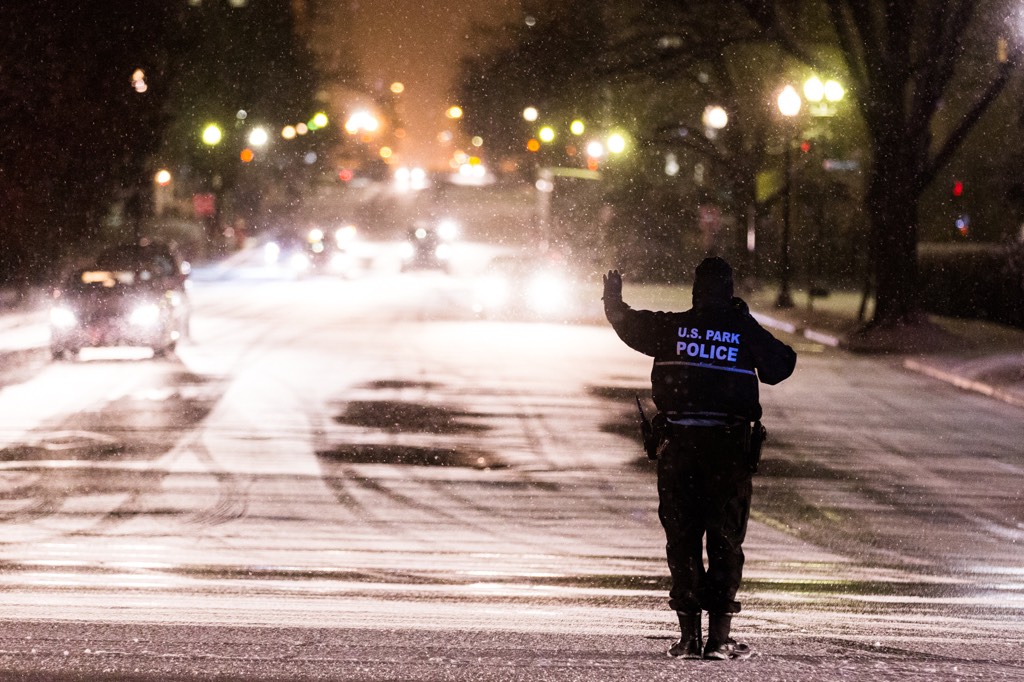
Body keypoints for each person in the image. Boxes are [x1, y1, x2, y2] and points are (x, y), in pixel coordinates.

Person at [603, 257, 796, 661]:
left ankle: (688, 638)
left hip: (679, 450)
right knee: (725, 541)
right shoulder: (741, 330)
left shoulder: (671, 328)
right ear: (729, 291)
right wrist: (742, 320)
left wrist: (613, 298)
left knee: (682, 539)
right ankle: (719, 639)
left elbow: (628, 324)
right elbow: (781, 366)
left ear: (695, 291)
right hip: (727, 452)